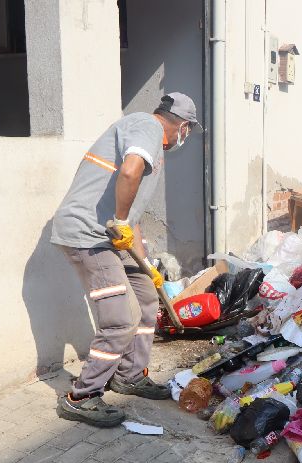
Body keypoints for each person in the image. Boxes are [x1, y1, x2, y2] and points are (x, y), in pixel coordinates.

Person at [49, 92, 200, 427]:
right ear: (183, 126)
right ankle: (82, 396)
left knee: (146, 297)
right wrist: (119, 221)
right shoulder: (147, 126)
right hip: (88, 235)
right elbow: (129, 173)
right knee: (120, 319)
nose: (185, 136)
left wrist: (147, 268)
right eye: (188, 130)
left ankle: (129, 375)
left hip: (111, 235)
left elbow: (131, 218)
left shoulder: (150, 143)